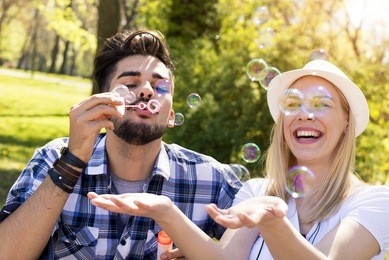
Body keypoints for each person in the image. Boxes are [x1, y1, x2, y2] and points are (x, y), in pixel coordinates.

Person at [89, 59, 389, 259]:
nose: (304, 114)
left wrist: (273, 224)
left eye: (321, 104)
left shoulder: (375, 203)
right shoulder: (257, 192)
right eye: (293, 104)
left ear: (347, 122)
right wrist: (166, 213)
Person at [0, 29, 241, 259]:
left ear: (170, 115)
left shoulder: (210, 178)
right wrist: (72, 161)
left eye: (159, 87)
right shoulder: (53, 159)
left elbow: (261, 248)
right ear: (102, 102)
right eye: (130, 84)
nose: (146, 91)